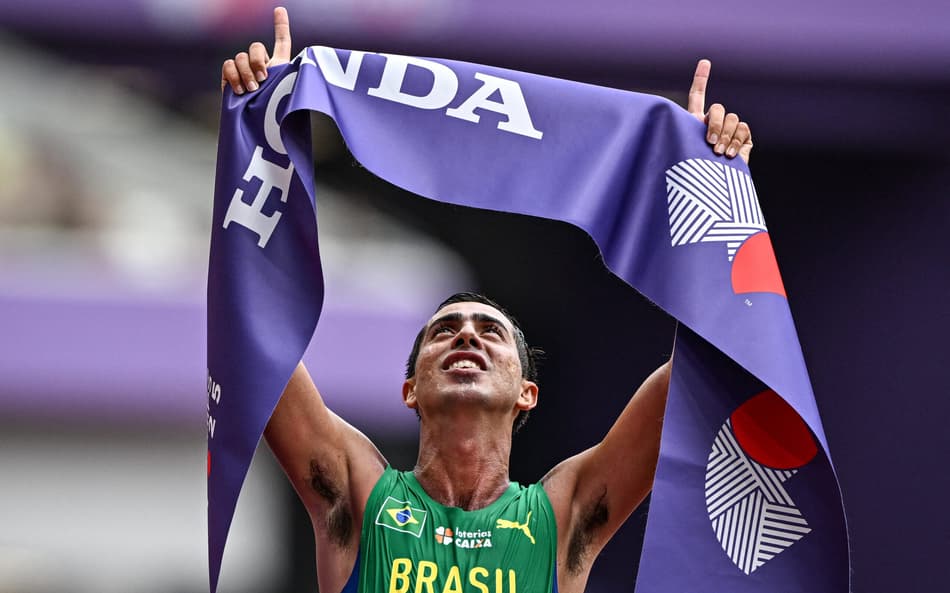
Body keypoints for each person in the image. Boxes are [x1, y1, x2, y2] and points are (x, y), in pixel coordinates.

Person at [222, 8, 753, 593]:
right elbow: (250, 330)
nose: (467, 335)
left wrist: (714, 198)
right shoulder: (357, 494)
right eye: (444, 331)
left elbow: (699, 372)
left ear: (528, 392)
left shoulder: (562, 516)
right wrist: (262, 128)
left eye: (490, 332)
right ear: (410, 390)